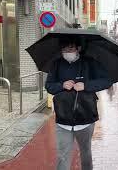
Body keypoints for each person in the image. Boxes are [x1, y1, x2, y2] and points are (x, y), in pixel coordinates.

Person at [45, 38, 112, 170]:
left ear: (78, 49)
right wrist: (62, 85)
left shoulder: (89, 63)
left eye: (71, 48)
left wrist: (86, 85)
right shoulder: (56, 64)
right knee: (62, 156)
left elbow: (106, 81)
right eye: (64, 49)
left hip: (85, 118)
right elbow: (49, 86)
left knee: (86, 153)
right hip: (63, 119)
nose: (67, 52)